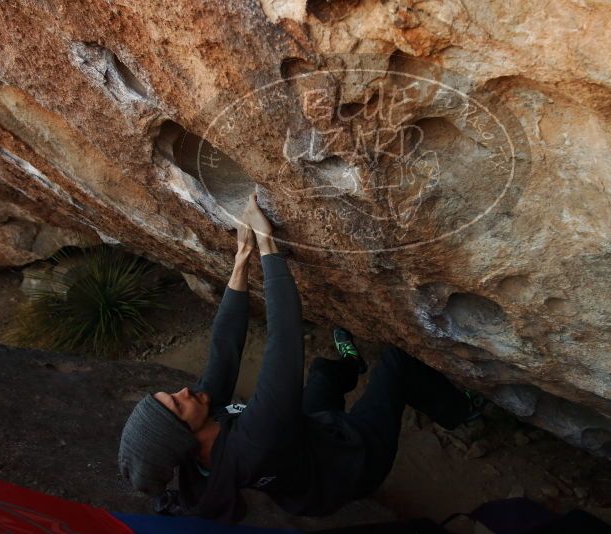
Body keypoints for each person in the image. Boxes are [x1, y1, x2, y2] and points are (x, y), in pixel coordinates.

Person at [118, 193, 483, 523]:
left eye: (170, 395)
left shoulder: (202, 425)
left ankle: (352, 364)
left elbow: (224, 347)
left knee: (324, 373)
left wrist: (242, 258)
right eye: (178, 405)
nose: (184, 391)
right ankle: (462, 412)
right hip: (352, 463)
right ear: (187, 437)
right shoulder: (256, 442)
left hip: (309, 441)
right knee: (396, 364)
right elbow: (285, 339)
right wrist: (267, 246)